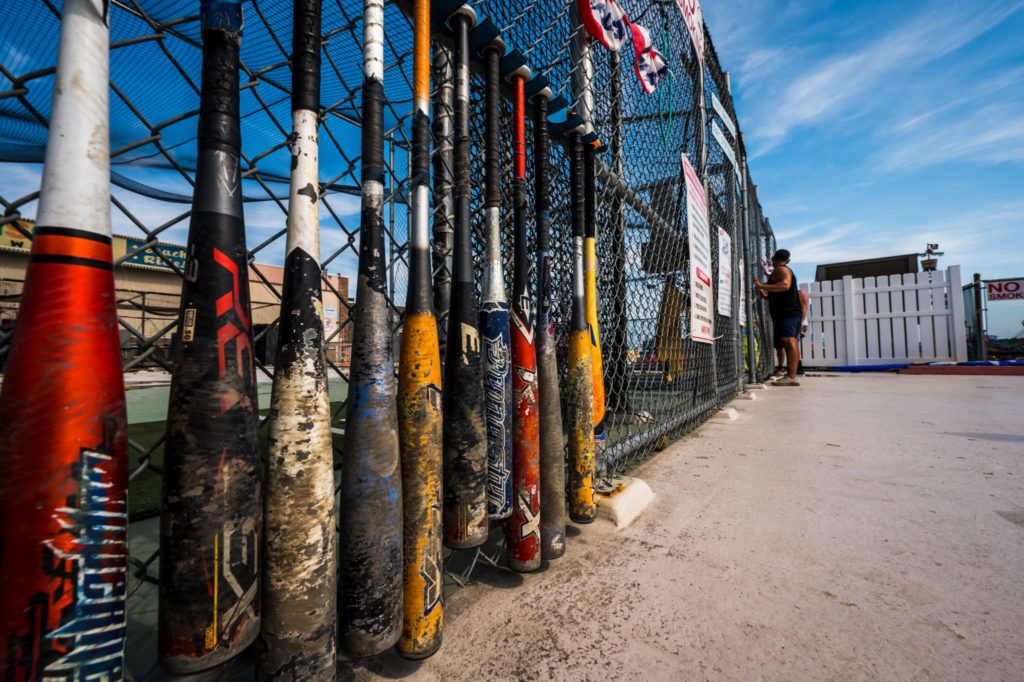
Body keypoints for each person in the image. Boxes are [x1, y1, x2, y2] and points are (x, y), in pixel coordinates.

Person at [756, 249, 801, 386]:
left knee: (788, 341)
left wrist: (762, 285)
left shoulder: (781, 269)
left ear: (773, 259)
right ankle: (791, 375)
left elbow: (785, 285)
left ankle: (791, 376)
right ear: (788, 260)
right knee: (789, 341)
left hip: (787, 312)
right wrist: (765, 293)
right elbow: (778, 291)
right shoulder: (782, 269)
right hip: (787, 312)